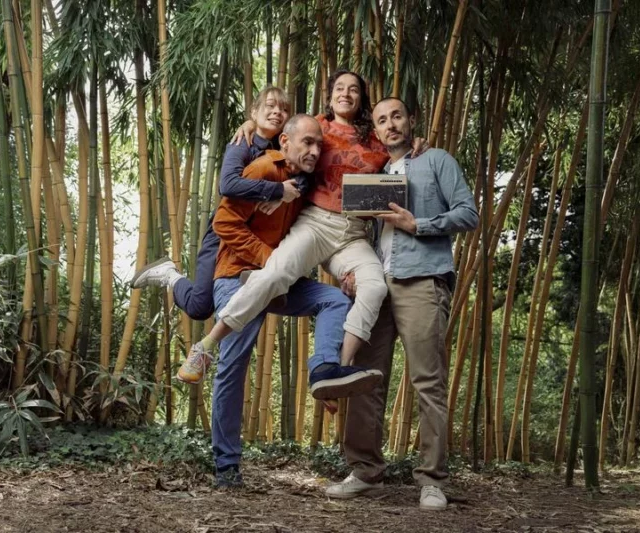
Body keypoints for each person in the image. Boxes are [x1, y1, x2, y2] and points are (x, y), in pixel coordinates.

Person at [172, 70, 425, 386]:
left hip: (353, 234)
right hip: (316, 223)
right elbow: (283, 139)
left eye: (354, 90)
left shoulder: (374, 137)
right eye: (340, 88)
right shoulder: (317, 125)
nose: (346, 93)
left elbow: (398, 151)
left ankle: (336, 370)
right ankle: (207, 345)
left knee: (375, 288)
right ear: (330, 93)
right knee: (276, 274)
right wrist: (252, 125)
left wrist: (416, 142)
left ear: (363, 98)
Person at [205, 114, 381, 487]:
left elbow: (324, 234)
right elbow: (223, 222)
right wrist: (269, 260)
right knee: (233, 366)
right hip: (238, 275)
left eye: (320, 145)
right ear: (285, 142)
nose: (315, 151)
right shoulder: (264, 168)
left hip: (280, 282)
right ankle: (226, 466)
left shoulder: (307, 180)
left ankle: (325, 370)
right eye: (307, 143)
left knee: (334, 300)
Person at [325, 97, 479, 510]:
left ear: (411, 120)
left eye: (397, 116)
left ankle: (431, 480)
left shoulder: (437, 160)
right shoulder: (370, 170)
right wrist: (349, 271)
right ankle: (364, 472)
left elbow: (468, 213)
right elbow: (348, 231)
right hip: (375, 283)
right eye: (381, 120)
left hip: (422, 280)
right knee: (364, 378)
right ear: (374, 130)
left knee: (428, 381)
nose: (390, 125)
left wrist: (419, 224)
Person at [131, 86, 307, 322]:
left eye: (284, 109)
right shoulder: (241, 143)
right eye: (271, 105)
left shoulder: (284, 146)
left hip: (254, 238)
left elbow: (308, 171)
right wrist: (276, 191)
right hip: (224, 231)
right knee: (200, 307)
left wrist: (291, 191)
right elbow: (228, 185)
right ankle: (169, 274)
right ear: (254, 112)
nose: (278, 112)